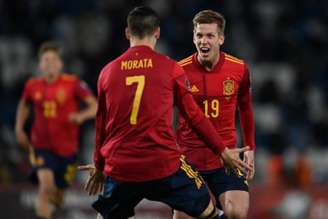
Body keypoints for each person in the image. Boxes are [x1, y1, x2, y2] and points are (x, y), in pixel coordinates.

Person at [78, 6, 252, 219]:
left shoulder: (107, 72)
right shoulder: (170, 68)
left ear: (127, 33)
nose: (204, 40)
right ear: (158, 32)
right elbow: (194, 116)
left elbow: (101, 124)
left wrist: (98, 163)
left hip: (121, 166)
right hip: (162, 164)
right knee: (208, 210)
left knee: (106, 215)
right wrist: (223, 150)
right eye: (200, 35)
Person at [174, 10, 256, 219]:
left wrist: (250, 148)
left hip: (227, 159)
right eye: (199, 35)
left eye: (210, 35)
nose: (204, 41)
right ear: (193, 37)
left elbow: (245, 107)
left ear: (221, 38)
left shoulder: (239, 69)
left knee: (236, 213)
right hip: (189, 159)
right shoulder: (178, 71)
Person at [15, 41, 97, 219]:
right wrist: (19, 128)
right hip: (42, 146)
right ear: (40, 64)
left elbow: (95, 106)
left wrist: (81, 116)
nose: (50, 63)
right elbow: (24, 105)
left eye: (53, 59)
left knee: (58, 194)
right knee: (46, 186)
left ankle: (53, 210)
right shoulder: (32, 85)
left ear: (60, 63)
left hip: (67, 150)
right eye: (46, 59)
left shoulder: (73, 83)